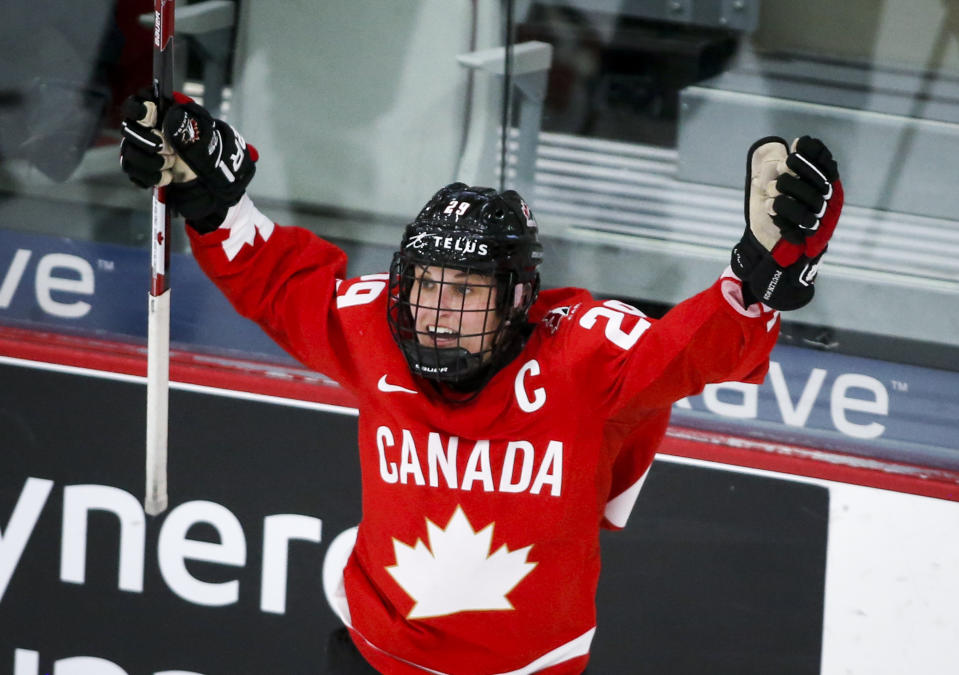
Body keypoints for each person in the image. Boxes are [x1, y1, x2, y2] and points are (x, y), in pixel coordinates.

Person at [119, 93, 842, 675]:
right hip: (373, 658)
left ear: (520, 298)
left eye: (463, 290)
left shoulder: (581, 349)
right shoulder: (382, 326)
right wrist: (213, 206)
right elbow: (277, 282)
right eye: (425, 283)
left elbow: (687, 353)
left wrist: (756, 283)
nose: (434, 312)